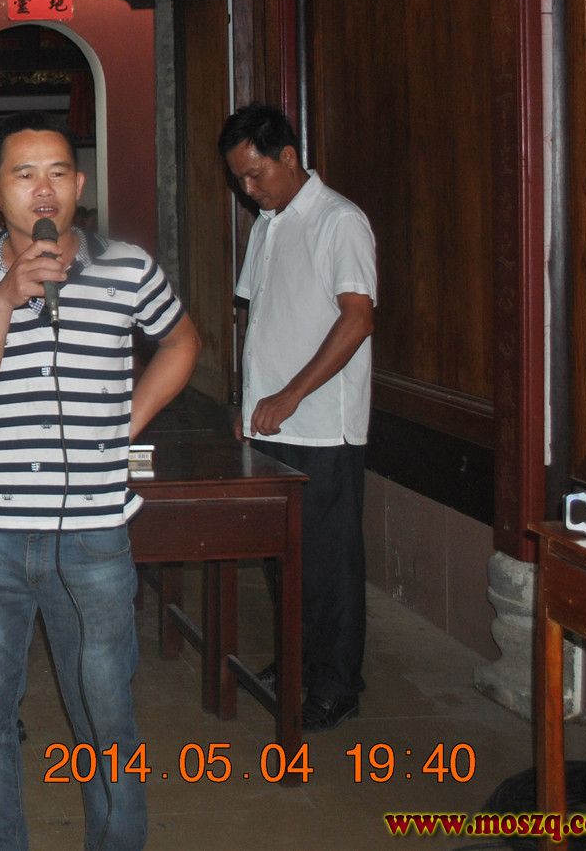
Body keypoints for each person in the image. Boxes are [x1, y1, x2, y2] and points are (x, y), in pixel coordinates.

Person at [0, 111, 200, 851]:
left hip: (93, 535)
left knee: (107, 721)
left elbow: (181, 340)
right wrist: (4, 297)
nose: (43, 190)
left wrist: (124, 422)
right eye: (23, 175)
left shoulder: (128, 267)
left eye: (57, 173)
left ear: (79, 185)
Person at [218, 103, 376, 734]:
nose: (248, 189)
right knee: (286, 557)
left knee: (329, 564)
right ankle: (299, 661)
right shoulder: (267, 224)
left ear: (289, 156)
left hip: (322, 427)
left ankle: (337, 685)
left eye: (255, 175)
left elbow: (358, 320)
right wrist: (248, 398)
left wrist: (289, 395)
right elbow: (255, 319)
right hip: (270, 424)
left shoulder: (340, 221)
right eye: (239, 179)